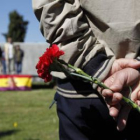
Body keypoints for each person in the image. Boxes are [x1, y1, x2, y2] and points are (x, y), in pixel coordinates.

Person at [32, 0, 140, 139]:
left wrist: (94, 62)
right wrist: (97, 64)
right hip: (83, 91)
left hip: (84, 91)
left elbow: (51, 7)